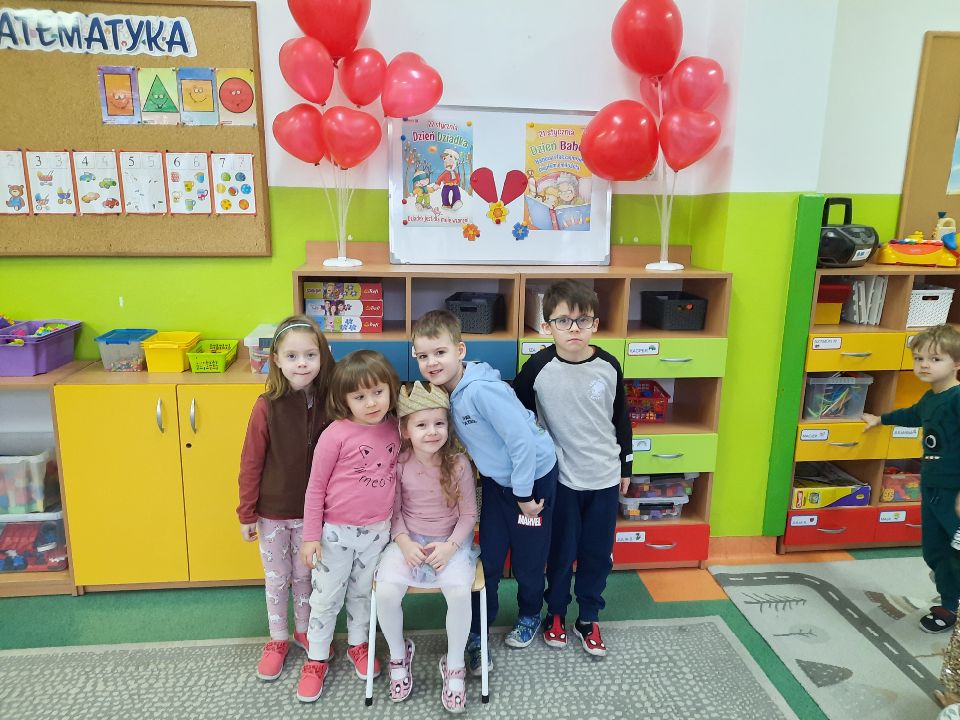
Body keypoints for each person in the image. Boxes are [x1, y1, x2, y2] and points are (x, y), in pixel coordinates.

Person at [412, 310, 558, 676]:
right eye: (423, 356)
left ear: (460, 350)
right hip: (498, 483)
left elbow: (521, 441)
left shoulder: (480, 390)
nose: (432, 362)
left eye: (440, 352)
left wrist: (524, 494)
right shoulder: (447, 392)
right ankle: (479, 630)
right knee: (489, 558)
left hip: (532, 482)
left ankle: (529, 614)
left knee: (528, 557)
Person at [512, 280, 632, 657]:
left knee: (597, 554)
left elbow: (621, 419)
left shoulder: (609, 366)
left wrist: (626, 466)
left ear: (596, 324)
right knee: (561, 554)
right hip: (561, 481)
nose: (574, 329)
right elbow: (517, 417)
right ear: (547, 326)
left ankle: (588, 617)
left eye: (583, 320)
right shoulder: (537, 368)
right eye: (563, 321)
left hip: (604, 479)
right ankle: (556, 614)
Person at [296, 350, 401, 703]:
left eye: (378, 392)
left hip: (378, 532)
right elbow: (315, 488)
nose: (371, 403)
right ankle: (316, 658)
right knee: (326, 597)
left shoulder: (396, 427)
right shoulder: (335, 435)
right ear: (344, 400)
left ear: (391, 389)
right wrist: (311, 536)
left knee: (362, 593)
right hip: (335, 535)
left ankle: (358, 643)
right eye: (359, 396)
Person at [236, 315, 334, 681]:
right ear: (276, 359)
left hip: (313, 515)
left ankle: (304, 630)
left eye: (310, 355)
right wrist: (246, 513)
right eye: (292, 356)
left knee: (306, 576)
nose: (302, 364)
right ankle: (278, 638)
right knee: (277, 578)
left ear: (322, 356)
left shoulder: (329, 402)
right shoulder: (266, 406)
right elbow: (250, 462)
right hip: (272, 513)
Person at [374, 382, 478, 711]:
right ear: (405, 430)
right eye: (421, 425)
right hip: (409, 540)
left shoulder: (459, 464)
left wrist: (450, 547)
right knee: (386, 593)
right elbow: (394, 512)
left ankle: (455, 664)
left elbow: (469, 514)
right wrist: (404, 543)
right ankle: (399, 654)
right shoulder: (400, 463)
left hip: (451, 542)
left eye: (439, 423)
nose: (432, 431)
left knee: (459, 594)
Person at [863, 324, 960, 633]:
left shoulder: (957, 399)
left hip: (955, 494)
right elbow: (912, 414)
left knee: (955, 553)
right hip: (932, 489)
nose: (924, 365)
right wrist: (881, 419)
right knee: (934, 549)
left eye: (935, 359)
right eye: (919, 359)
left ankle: (949, 606)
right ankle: (950, 594)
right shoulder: (931, 399)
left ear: (956, 363)